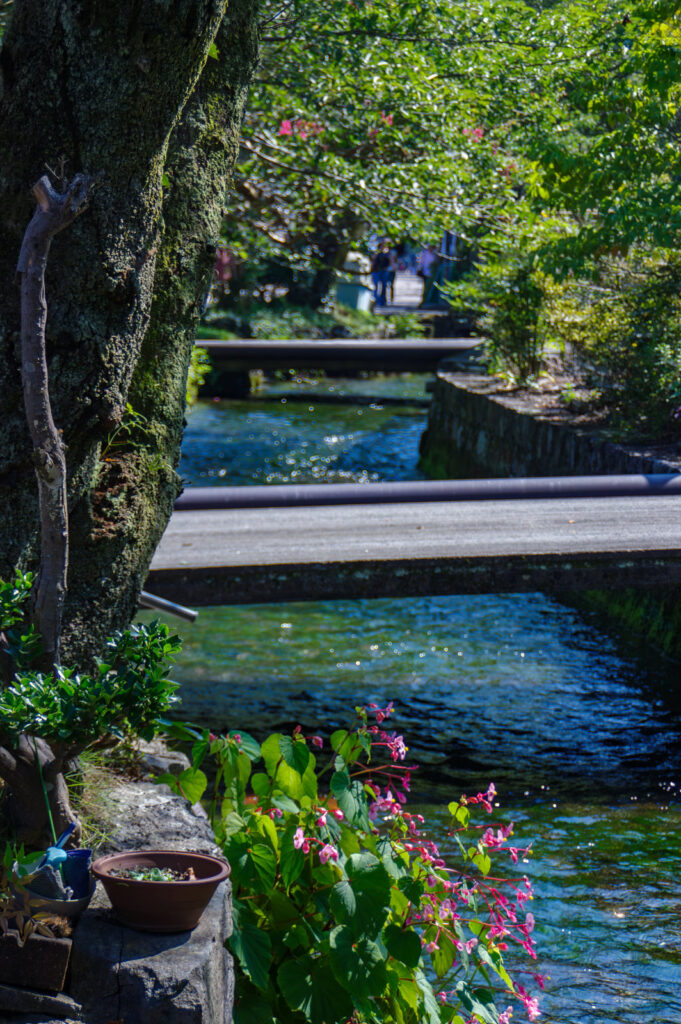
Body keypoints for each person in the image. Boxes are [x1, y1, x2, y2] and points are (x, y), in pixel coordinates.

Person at [370, 240, 391, 306]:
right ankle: (376, 300)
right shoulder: (376, 252)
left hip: (384, 270)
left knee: (384, 286)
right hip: (376, 270)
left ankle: (383, 301)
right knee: (375, 285)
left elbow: (390, 261)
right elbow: (373, 260)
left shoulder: (388, 253)